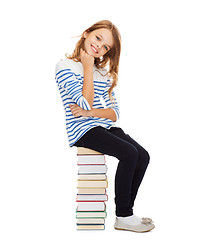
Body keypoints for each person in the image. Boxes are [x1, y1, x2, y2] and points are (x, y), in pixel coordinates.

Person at [55, 20, 155, 233]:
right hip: (82, 131)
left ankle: (126, 214)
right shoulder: (65, 66)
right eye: (98, 38)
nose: (99, 46)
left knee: (143, 155)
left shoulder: (104, 74)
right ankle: (124, 215)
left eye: (106, 46)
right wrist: (87, 67)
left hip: (103, 126)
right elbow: (85, 102)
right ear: (86, 33)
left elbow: (114, 113)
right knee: (129, 153)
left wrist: (90, 113)